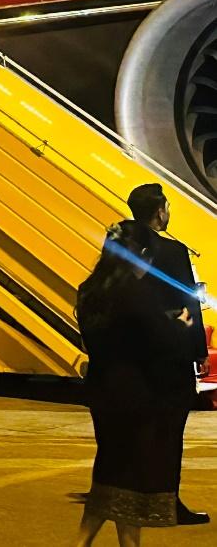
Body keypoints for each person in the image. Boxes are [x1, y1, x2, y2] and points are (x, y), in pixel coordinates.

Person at [76, 218, 198, 545]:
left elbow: (115, 334)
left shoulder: (89, 290)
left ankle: (87, 542)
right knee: (132, 476)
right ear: (141, 254)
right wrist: (182, 323)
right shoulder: (136, 291)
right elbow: (161, 342)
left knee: (111, 472)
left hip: (103, 391)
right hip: (137, 395)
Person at [127, 182, 209, 525]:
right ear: (159, 211)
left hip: (133, 354)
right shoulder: (172, 252)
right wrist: (199, 351)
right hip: (168, 354)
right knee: (169, 431)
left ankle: (136, 499)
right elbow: (187, 301)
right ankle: (166, 504)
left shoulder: (121, 248)